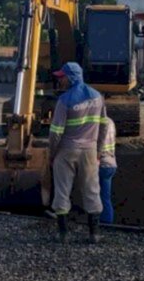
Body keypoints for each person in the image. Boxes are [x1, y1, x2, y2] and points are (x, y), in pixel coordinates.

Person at [49, 62, 107, 244]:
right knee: (92, 190)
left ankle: (63, 233)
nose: (60, 80)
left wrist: (52, 154)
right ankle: (94, 234)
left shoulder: (64, 100)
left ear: (71, 77)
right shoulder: (97, 97)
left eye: (62, 77)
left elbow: (56, 132)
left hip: (66, 151)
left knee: (62, 190)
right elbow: (104, 126)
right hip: (89, 150)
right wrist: (98, 150)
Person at [98, 116, 118, 225]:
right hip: (111, 163)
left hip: (101, 164)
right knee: (105, 197)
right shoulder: (110, 121)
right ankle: (107, 221)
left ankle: (102, 221)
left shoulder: (98, 123)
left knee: (95, 196)